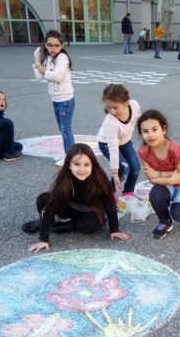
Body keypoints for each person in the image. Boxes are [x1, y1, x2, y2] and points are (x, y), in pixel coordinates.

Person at [22, 143, 129, 251]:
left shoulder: (99, 179)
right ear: (69, 165)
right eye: (77, 164)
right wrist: (43, 240)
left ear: (93, 165)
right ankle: (45, 222)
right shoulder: (65, 179)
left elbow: (109, 203)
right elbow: (50, 207)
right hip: (69, 206)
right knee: (43, 199)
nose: (82, 169)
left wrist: (114, 229)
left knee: (93, 225)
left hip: (89, 209)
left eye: (86, 165)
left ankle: (70, 225)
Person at [137, 110, 180, 239]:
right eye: (145, 131)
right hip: (170, 183)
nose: (150, 135)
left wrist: (158, 174)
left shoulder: (175, 149)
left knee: (179, 215)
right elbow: (152, 180)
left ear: (163, 129)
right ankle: (164, 221)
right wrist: (170, 178)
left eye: (154, 129)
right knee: (155, 194)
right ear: (141, 134)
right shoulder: (143, 152)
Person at [33, 30, 74, 165]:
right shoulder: (48, 58)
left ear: (61, 46)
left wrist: (43, 69)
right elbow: (38, 77)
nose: (53, 48)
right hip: (56, 99)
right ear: (45, 45)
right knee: (61, 128)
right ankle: (66, 152)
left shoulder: (62, 58)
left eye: (56, 45)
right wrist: (37, 61)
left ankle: (70, 156)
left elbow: (57, 76)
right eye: (50, 45)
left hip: (65, 100)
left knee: (66, 129)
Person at [96, 84, 142, 197]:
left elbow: (140, 120)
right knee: (124, 168)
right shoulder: (110, 122)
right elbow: (113, 149)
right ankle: (107, 194)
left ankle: (128, 192)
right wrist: (115, 174)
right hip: (107, 144)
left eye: (115, 107)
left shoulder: (134, 105)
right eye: (108, 107)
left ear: (126, 103)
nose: (111, 111)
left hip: (125, 141)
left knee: (135, 167)